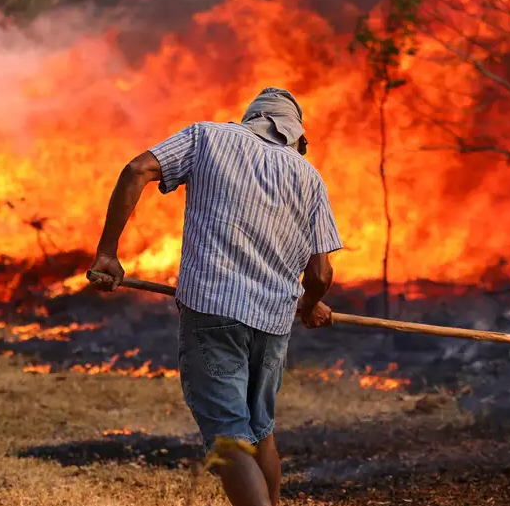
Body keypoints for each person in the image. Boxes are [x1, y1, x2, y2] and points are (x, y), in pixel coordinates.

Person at [87, 87, 342, 506]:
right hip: (273, 322)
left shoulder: (208, 137)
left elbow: (137, 169)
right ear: (296, 135)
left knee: (229, 437)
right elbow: (321, 272)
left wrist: (108, 253)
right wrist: (310, 304)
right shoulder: (308, 176)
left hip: (213, 310)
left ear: (251, 119)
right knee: (260, 431)